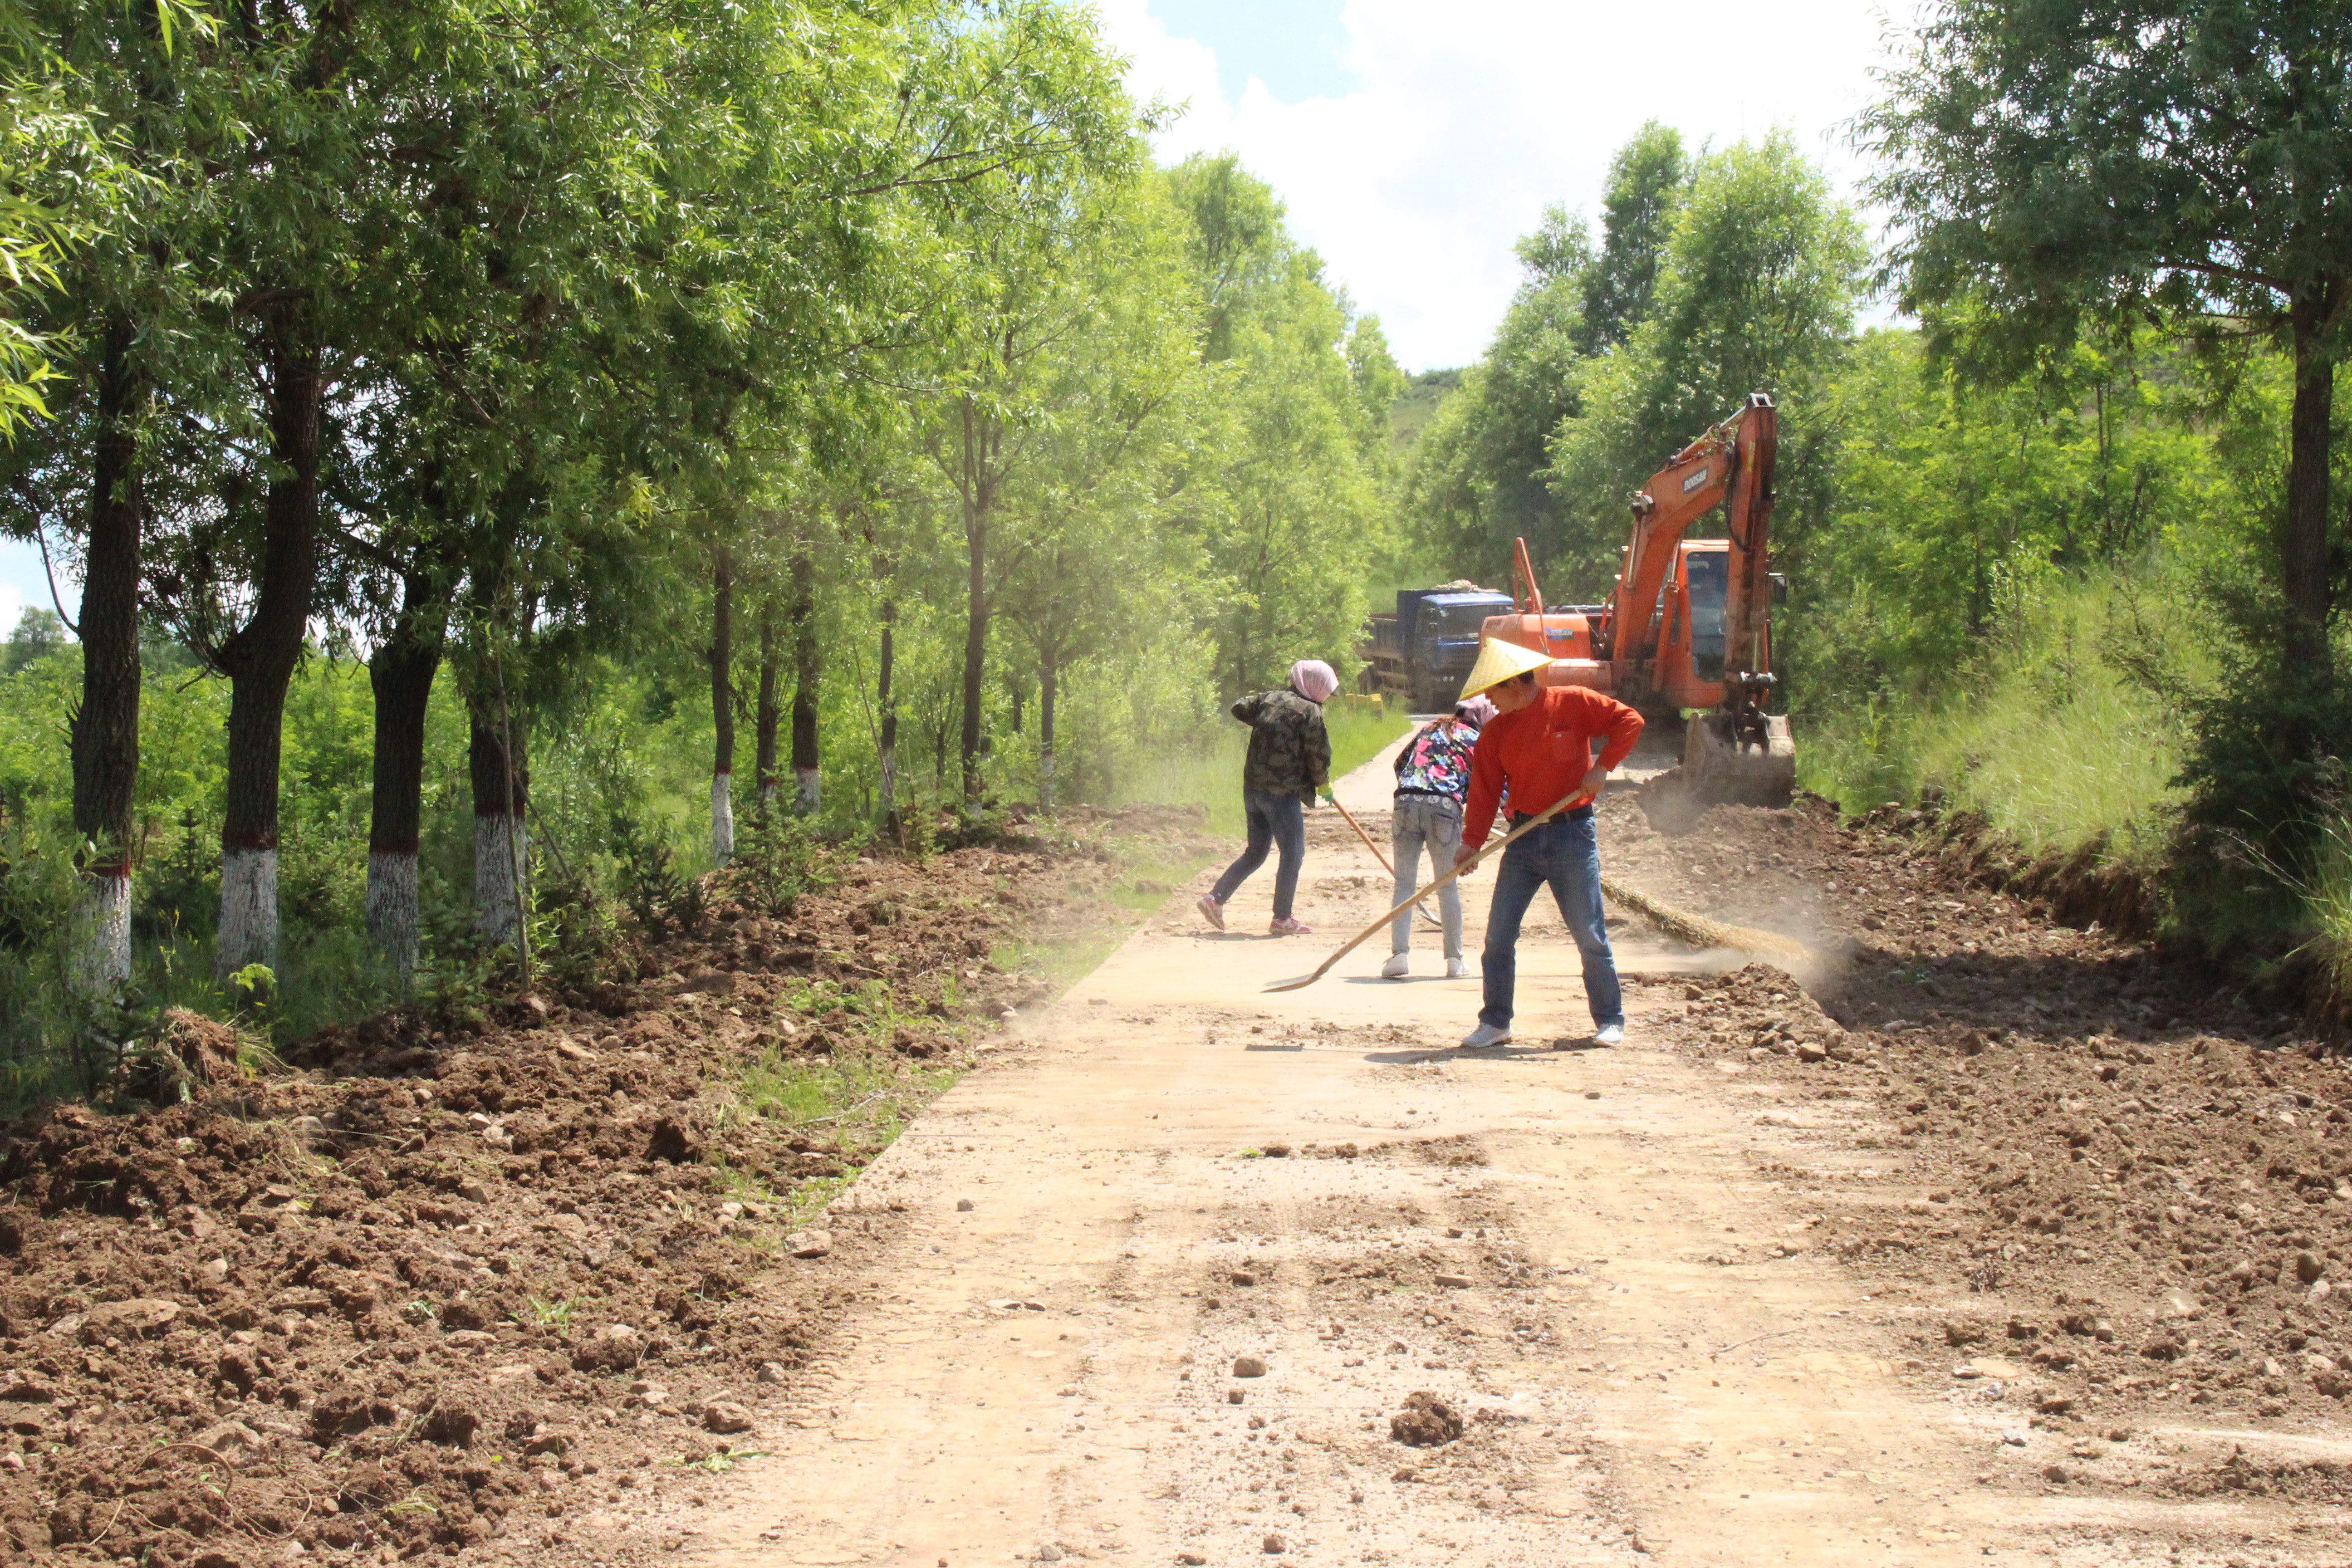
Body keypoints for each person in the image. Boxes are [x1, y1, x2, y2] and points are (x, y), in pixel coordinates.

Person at [1448, 638, 1644, 1048]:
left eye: (1493, 690)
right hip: (1523, 840)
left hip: (1572, 834)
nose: (1488, 699)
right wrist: (1471, 844)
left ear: (1516, 684)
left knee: (1589, 934)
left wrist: (1603, 767)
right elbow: (1483, 793)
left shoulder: (1573, 703)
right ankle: (1496, 1021)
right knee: (1498, 937)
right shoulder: (1496, 732)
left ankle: (1611, 1020)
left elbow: (1630, 722)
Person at [1198, 660, 1337, 936]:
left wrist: (1269, 723)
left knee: (1257, 852)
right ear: (1315, 686)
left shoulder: (1270, 699)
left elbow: (1239, 707)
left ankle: (1215, 899)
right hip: (1282, 795)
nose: (1327, 696)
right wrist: (1323, 784)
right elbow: (1318, 755)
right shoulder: (1311, 712)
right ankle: (1282, 918)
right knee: (1293, 853)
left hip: (1254, 791)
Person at [1380, 693, 1494, 979]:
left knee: (1404, 884)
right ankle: (1455, 962)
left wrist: (1417, 792)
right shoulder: (1477, 741)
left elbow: (1400, 764)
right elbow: (1490, 788)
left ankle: (1399, 956)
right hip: (1444, 807)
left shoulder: (1431, 727)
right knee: (1447, 886)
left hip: (1405, 802)